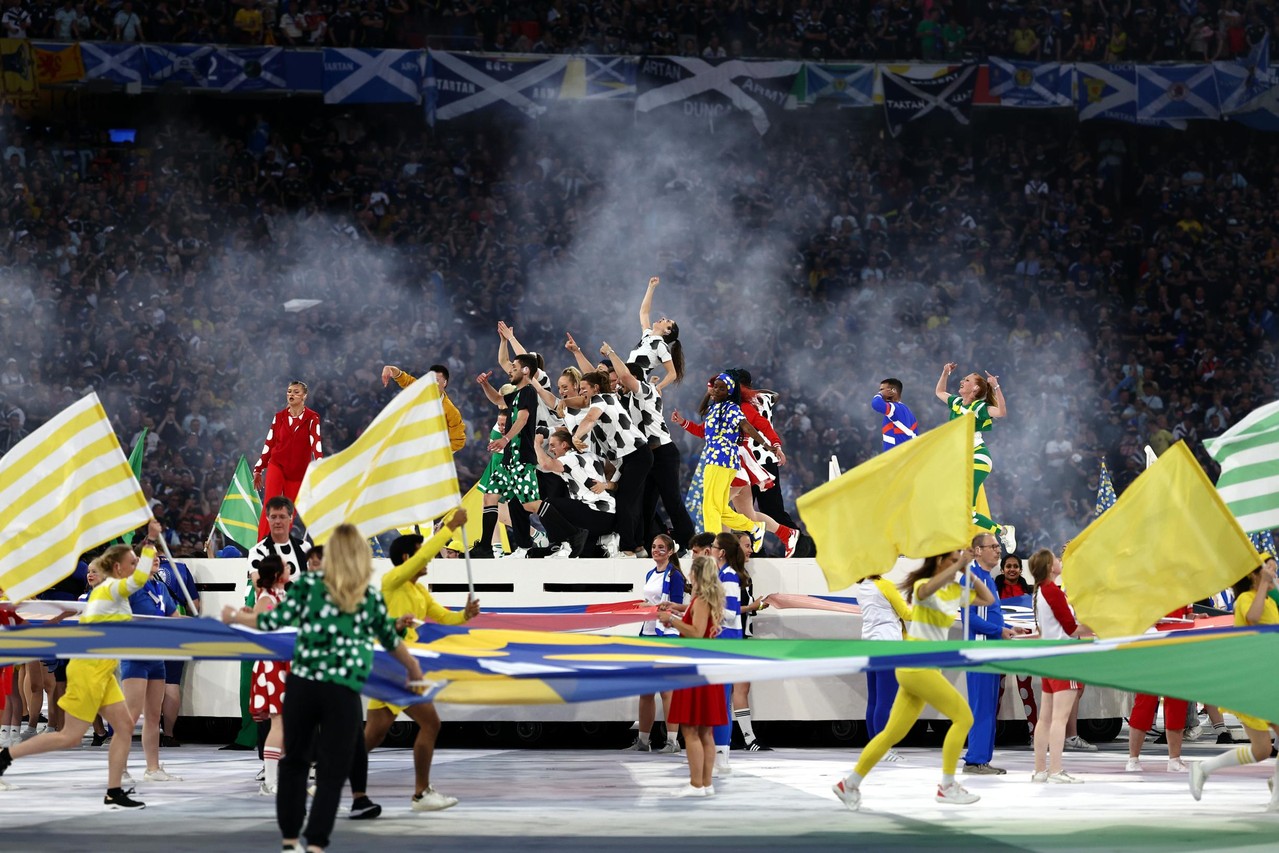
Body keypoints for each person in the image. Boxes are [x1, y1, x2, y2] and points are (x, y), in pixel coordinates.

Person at [222, 524, 426, 853]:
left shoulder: (307, 587)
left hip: (302, 685)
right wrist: (413, 668)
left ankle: (289, 839)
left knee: (295, 763)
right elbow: (388, 640)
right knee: (331, 769)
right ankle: (316, 843)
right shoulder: (365, 593)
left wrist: (235, 617)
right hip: (342, 690)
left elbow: (273, 622)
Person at [831, 547, 991, 811]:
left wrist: (967, 571)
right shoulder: (922, 585)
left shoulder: (953, 591)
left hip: (919, 668)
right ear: (939, 561)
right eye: (951, 560)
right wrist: (956, 566)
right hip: (919, 666)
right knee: (965, 718)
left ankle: (849, 784)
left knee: (892, 733)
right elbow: (924, 593)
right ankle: (947, 786)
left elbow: (987, 600)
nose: (956, 564)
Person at [0, 545, 159, 807]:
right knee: (70, 737)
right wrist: (151, 546)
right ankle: (6, 757)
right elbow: (139, 579)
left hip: (103, 671)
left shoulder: (107, 594)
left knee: (124, 727)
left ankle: (114, 791)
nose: (136, 567)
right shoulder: (111, 589)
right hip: (89, 670)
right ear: (118, 568)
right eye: (132, 562)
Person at [363, 515, 478, 810]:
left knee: (373, 736)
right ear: (406, 557)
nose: (428, 558)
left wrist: (465, 614)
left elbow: (444, 617)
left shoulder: (419, 592)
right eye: (420, 552)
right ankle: (421, 793)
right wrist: (450, 528)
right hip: (393, 666)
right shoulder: (393, 580)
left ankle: (325, 776)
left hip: (400, 668)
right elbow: (427, 553)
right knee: (430, 723)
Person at [1189, 559, 1279, 811]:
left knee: (1263, 749)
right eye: (1267, 567)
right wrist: (1264, 585)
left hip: (1269, 677)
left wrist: (1270, 585)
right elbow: (1252, 618)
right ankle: (1205, 769)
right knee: (1261, 749)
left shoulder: (1271, 600)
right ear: (1253, 575)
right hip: (1252, 681)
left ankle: (1275, 791)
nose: (1272, 570)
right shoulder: (1246, 600)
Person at [601, 344, 696, 553]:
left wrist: (611, 353)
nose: (618, 384)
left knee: (672, 501)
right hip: (644, 456)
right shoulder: (623, 399)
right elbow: (598, 383)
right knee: (645, 505)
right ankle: (644, 545)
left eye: (621, 378)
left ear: (633, 377)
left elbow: (625, 378)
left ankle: (691, 545)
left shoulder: (647, 390)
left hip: (663, 453)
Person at [658, 555, 726, 797]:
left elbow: (696, 633)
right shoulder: (709, 600)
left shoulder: (700, 601)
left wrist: (672, 620)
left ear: (696, 575)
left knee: (690, 730)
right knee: (705, 731)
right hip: (707, 669)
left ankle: (696, 784)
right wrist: (677, 613)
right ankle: (706, 784)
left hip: (694, 669)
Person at [672, 374, 772, 538]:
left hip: (723, 460)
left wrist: (766, 444)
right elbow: (701, 412)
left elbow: (747, 427)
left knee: (709, 506)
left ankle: (713, 542)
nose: (716, 390)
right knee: (719, 507)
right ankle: (755, 528)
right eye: (715, 387)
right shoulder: (713, 409)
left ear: (729, 392)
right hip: (713, 460)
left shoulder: (732, 408)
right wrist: (707, 393)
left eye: (721, 388)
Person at [121, 538, 184, 784]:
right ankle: (121, 767)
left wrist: (203, 627)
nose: (156, 558)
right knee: (130, 715)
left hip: (157, 658)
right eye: (150, 555)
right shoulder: (131, 588)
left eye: (158, 555)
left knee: (153, 715)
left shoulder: (160, 588)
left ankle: (153, 769)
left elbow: (175, 617)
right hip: (136, 657)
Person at [934, 363, 1014, 552]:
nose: (962, 381)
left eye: (967, 380)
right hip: (961, 462)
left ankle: (967, 543)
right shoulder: (956, 403)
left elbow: (1001, 412)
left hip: (977, 457)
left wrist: (995, 386)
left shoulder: (979, 407)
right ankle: (1002, 531)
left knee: (965, 509)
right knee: (968, 512)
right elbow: (939, 392)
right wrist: (945, 373)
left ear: (976, 388)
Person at [1029, 547, 1088, 784]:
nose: (1060, 561)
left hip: (1048, 657)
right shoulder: (1052, 591)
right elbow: (1072, 629)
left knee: (1045, 718)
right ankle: (1055, 770)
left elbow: (1044, 631)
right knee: (1059, 719)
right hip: (1065, 657)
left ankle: (1040, 770)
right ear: (1048, 567)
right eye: (1057, 559)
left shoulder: (1040, 592)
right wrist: (1100, 628)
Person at [962, 532, 1017, 776]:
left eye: (998, 546)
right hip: (981, 652)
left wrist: (1006, 629)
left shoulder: (988, 578)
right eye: (993, 546)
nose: (998, 550)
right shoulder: (973, 578)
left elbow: (989, 614)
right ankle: (975, 760)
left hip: (990, 650)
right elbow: (969, 619)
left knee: (987, 707)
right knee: (982, 707)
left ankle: (981, 758)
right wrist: (999, 630)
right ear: (977, 550)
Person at [626, 533, 685, 753]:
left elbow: (676, 608)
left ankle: (672, 741)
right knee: (646, 690)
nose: (656, 550)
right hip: (648, 634)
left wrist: (651, 608)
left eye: (661, 547)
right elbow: (652, 602)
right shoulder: (650, 573)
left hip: (666, 636)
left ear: (670, 551)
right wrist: (642, 606)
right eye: (653, 546)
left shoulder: (675, 575)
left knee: (667, 691)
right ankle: (643, 741)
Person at [252, 380, 323, 540]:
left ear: (304, 396)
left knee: (289, 510)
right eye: (289, 391)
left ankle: (278, 542)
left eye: (296, 392)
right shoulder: (279, 417)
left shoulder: (312, 418)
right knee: (270, 504)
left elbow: (316, 444)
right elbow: (268, 444)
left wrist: (319, 467)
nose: (292, 394)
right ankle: (262, 543)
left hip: (298, 471)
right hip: (277, 465)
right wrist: (258, 468)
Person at [531, 429, 617, 557]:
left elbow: (545, 464)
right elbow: (611, 467)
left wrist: (537, 444)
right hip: (608, 517)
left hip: (593, 514)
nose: (550, 449)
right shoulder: (591, 455)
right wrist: (604, 484)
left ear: (564, 445)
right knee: (581, 556)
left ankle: (558, 544)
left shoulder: (569, 459)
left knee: (547, 505)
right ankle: (601, 541)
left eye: (553, 445)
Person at [854, 571, 910, 761]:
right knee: (885, 702)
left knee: (874, 700)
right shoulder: (885, 585)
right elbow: (907, 613)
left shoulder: (862, 587)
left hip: (870, 646)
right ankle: (883, 749)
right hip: (888, 647)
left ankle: (874, 748)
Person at [249, 555, 290, 796]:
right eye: (285, 567)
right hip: (273, 665)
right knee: (278, 722)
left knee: (285, 723)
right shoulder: (265, 599)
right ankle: (270, 780)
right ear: (276, 574)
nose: (289, 569)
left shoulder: (282, 597)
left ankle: (278, 777)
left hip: (286, 663)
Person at [382, 363, 467, 452]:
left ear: (445, 383)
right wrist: (390, 368)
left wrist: (438, 456)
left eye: (437, 380)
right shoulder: (420, 390)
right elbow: (403, 378)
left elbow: (458, 441)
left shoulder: (451, 411)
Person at [625, 276, 685, 392]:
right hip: (625, 379)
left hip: (636, 384)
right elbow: (644, 312)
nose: (663, 318)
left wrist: (658, 387)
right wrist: (651, 288)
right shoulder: (647, 335)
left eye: (667, 321)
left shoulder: (661, 346)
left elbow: (673, 374)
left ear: (667, 331)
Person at [872, 377, 918, 452]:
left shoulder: (894, 408)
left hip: (897, 456)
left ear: (893, 391)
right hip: (908, 455)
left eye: (882, 390)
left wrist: (879, 394)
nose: (881, 393)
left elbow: (876, 404)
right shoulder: (908, 412)